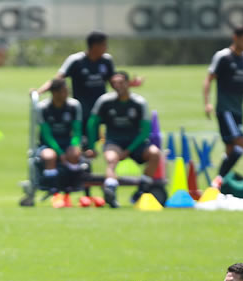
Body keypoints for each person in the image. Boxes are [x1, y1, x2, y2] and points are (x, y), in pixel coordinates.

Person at [34, 31, 142, 149]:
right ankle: (80, 163)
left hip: (101, 108)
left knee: (95, 140)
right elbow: (57, 80)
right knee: (83, 141)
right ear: (95, 46)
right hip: (82, 109)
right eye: (104, 45)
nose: (106, 48)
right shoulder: (75, 60)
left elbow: (114, 81)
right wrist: (39, 91)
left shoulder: (106, 60)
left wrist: (129, 84)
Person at [88, 71, 162, 207]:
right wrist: (92, 146)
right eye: (114, 83)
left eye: (121, 82)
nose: (117, 86)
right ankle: (110, 191)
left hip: (136, 143)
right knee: (111, 159)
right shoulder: (105, 101)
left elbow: (145, 131)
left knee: (155, 154)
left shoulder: (139, 103)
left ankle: (142, 190)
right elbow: (92, 123)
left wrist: (128, 150)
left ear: (129, 83)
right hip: (114, 142)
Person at [202, 26, 243, 189]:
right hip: (225, 110)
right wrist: (207, 103)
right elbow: (208, 79)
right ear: (235, 38)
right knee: (241, 144)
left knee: (230, 148)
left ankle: (219, 185)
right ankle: (219, 179)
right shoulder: (223, 57)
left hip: (238, 111)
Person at [36, 78, 85, 201]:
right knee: (49, 156)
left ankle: (72, 185)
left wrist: (75, 145)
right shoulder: (43, 108)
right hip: (48, 144)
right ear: (54, 93)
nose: (66, 94)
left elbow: (77, 131)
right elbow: (46, 134)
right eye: (63, 91)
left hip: (68, 142)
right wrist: (60, 152)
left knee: (74, 154)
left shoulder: (74, 105)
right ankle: (51, 188)